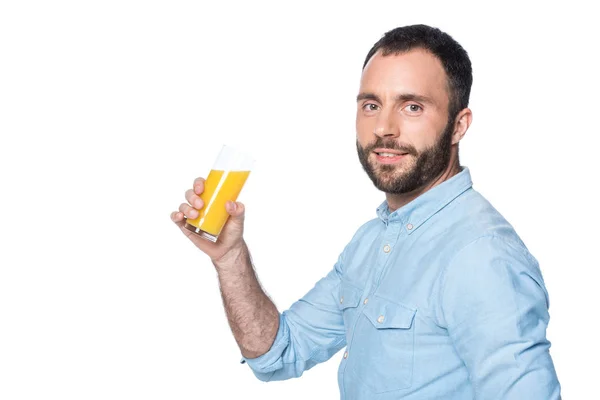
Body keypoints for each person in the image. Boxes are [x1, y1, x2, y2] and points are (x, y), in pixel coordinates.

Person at [170, 24, 561, 399]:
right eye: (371, 105)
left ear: (459, 125)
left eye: (412, 106)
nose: (384, 128)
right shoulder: (372, 241)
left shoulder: (482, 255)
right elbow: (277, 353)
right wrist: (231, 257)